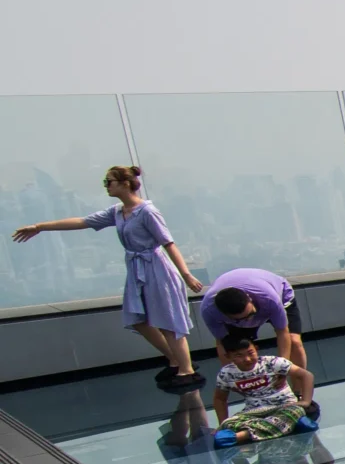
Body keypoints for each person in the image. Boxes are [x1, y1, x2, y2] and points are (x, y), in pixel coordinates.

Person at [11, 164, 203, 387]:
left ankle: (186, 369)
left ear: (125, 183)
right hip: (136, 268)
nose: (106, 186)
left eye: (109, 182)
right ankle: (173, 359)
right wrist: (40, 227)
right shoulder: (117, 211)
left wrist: (186, 275)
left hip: (156, 267)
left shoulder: (147, 212)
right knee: (138, 319)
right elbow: (83, 221)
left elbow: (168, 243)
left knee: (168, 320)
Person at [199, 266, 311, 381]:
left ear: (249, 298)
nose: (250, 320)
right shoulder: (209, 311)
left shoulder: (270, 298)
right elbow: (223, 344)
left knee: (294, 341)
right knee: (236, 348)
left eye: (250, 313)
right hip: (240, 312)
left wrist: (281, 372)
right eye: (242, 319)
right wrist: (235, 378)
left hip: (277, 297)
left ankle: (299, 392)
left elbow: (282, 332)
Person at [207, 329, 316, 447]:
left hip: (283, 406)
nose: (247, 359)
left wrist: (305, 401)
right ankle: (290, 426)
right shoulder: (226, 374)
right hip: (253, 411)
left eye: (250, 353)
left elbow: (306, 375)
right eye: (239, 356)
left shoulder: (272, 362)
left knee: (295, 412)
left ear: (256, 349)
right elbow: (220, 399)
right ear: (228, 356)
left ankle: (244, 435)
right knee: (229, 423)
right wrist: (222, 423)